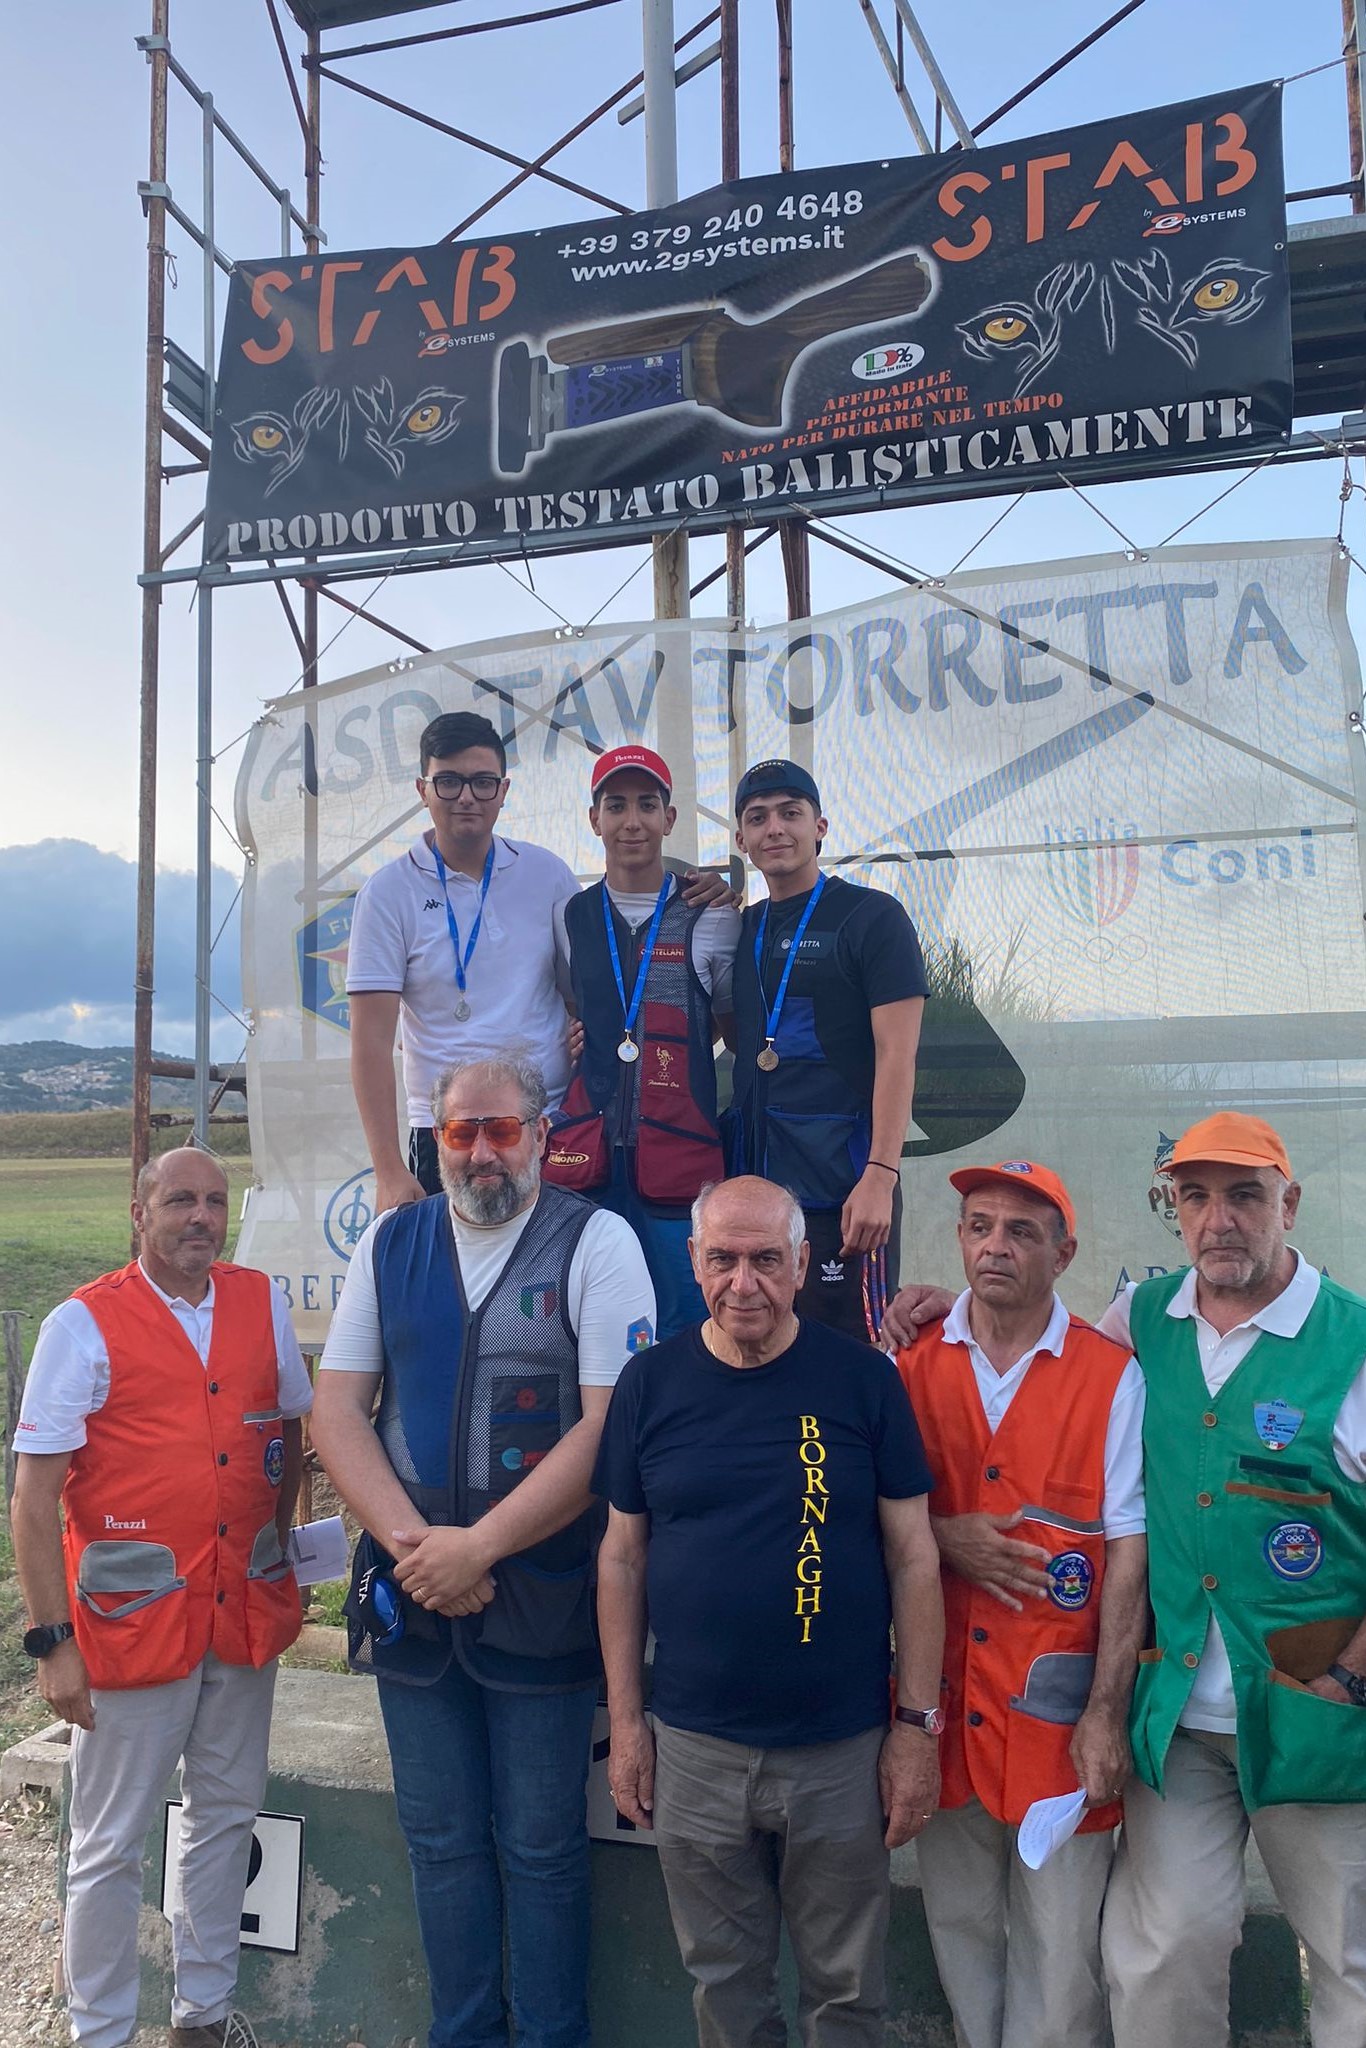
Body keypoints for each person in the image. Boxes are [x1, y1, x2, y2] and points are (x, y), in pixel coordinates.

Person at [309, 1053, 655, 2048]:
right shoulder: (392, 1240)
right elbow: (337, 1411)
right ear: (436, 1141)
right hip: (412, 1593)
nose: (481, 1152)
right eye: (461, 1132)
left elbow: (610, 1427)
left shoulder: (597, 1241)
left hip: (541, 1591)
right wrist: (418, 1550)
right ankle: (462, 2033)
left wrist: (484, 1547)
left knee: (542, 1849)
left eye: (502, 1129)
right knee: (439, 1841)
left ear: (542, 1135)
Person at [595, 1175, 944, 2048]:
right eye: (723, 1259)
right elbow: (622, 1557)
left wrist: (915, 1728)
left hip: (840, 1750)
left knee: (847, 1991)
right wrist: (629, 1725)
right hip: (695, 1749)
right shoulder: (648, 1384)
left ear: (800, 1264)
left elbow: (914, 1555)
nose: (742, 1283)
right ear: (693, 1261)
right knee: (724, 1985)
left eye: (765, 1260)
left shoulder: (863, 1379)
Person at [10, 1148, 311, 2048]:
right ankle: (99, 2031)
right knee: (108, 1846)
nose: (201, 1217)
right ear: (139, 1212)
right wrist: (51, 1642)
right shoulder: (83, 1323)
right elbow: (32, 1499)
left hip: (239, 1620)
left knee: (225, 1820)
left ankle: (201, 2019)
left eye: (215, 1201)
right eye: (180, 1200)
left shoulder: (261, 1303)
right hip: (129, 1633)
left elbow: (288, 1432)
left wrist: (279, 1549)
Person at [1092, 1112, 1366, 2048]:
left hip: (1320, 1717)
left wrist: (1350, 1679)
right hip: (1179, 1724)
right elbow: (1043, 1364)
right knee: (1166, 1951)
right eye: (1195, 1197)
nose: (1219, 1220)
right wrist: (946, 1310)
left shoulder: (1354, 1341)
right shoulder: (1140, 1321)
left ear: (1290, 1205)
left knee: (1352, 1959)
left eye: (1246, 1195)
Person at [894, 1159, 1147, 2048]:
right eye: (979, 1226)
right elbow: (867, 1520)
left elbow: (1128, 1555)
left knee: (1061, 1948)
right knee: (959, 1929)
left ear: (1064, 1254)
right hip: (943, 1710)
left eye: (1021, 1232)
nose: (995, 1246)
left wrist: (1106, 1711)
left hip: (1056, 1722)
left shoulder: (1113, 1376)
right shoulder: (908, 1364)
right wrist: (944, 1535)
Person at [346, 708, 582, 1214]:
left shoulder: (548, 875)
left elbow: (581, 992)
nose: (467, 797)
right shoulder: (387, 893)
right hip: (446, 1131)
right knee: (453, 1264)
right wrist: (388, 1170)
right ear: (422, 789)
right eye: (449, 781)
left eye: (482, 782)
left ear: (504, 790)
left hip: (546, 1121)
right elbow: (369, 1044)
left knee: (552, 1262)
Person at [726, 758, 929, 1342]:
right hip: (758, 1198)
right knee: (762, 1350)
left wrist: (880, 1176)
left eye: (790, 813)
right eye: (758, 818)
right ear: (741, 840)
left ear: (819, 827)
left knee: (854, 1354)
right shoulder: (740, 928)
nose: (774, 829)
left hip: (844, 1193)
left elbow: (898, 1056)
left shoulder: (872, 917)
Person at [545, 743, 740, 1339]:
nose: (632, 821)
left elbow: (728, 1026)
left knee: (687, 1329)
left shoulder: (712, 914)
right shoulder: (569, 916)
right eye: (616, 805)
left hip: (677, 1156)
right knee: (589, 1326)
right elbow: (576, 1007)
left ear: (669, 818)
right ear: (594, 819)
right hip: (589, 1163)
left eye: (647, 805)